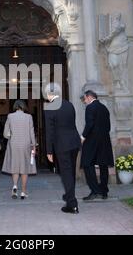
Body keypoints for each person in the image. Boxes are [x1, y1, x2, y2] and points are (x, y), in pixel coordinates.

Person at [44, 83, 81, 214]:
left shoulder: (49, 108)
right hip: (74, 142)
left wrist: (48, 151)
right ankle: (69, 195)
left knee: (66, 173)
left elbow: (50, 132)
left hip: (62, 145)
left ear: (49, 94)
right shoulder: (69, 104)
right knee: (70, 173)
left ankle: (72, 204)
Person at [80, 90, 115, 201]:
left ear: (89, 97)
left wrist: (83, 137)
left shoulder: (90, 108)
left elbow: (89, 124)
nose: (84, 101)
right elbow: (108, 126)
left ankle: (95, 190)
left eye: (84, 99)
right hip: (104, 140)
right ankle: (104, 191)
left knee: (86, 163)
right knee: (103, 164)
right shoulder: (104, 108)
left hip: (92, 140)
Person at [2, 100, 37, 199]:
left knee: (15, 166)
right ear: (24, 106)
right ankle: (23, 192)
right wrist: (33, 145)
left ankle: (15, 186)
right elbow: (31, 132)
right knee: (24, 168)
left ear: (15, 107)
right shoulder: (29, 117)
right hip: (25, 144)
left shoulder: (10, 116)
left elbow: (5, 133)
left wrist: (11, 136)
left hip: (13, 144)